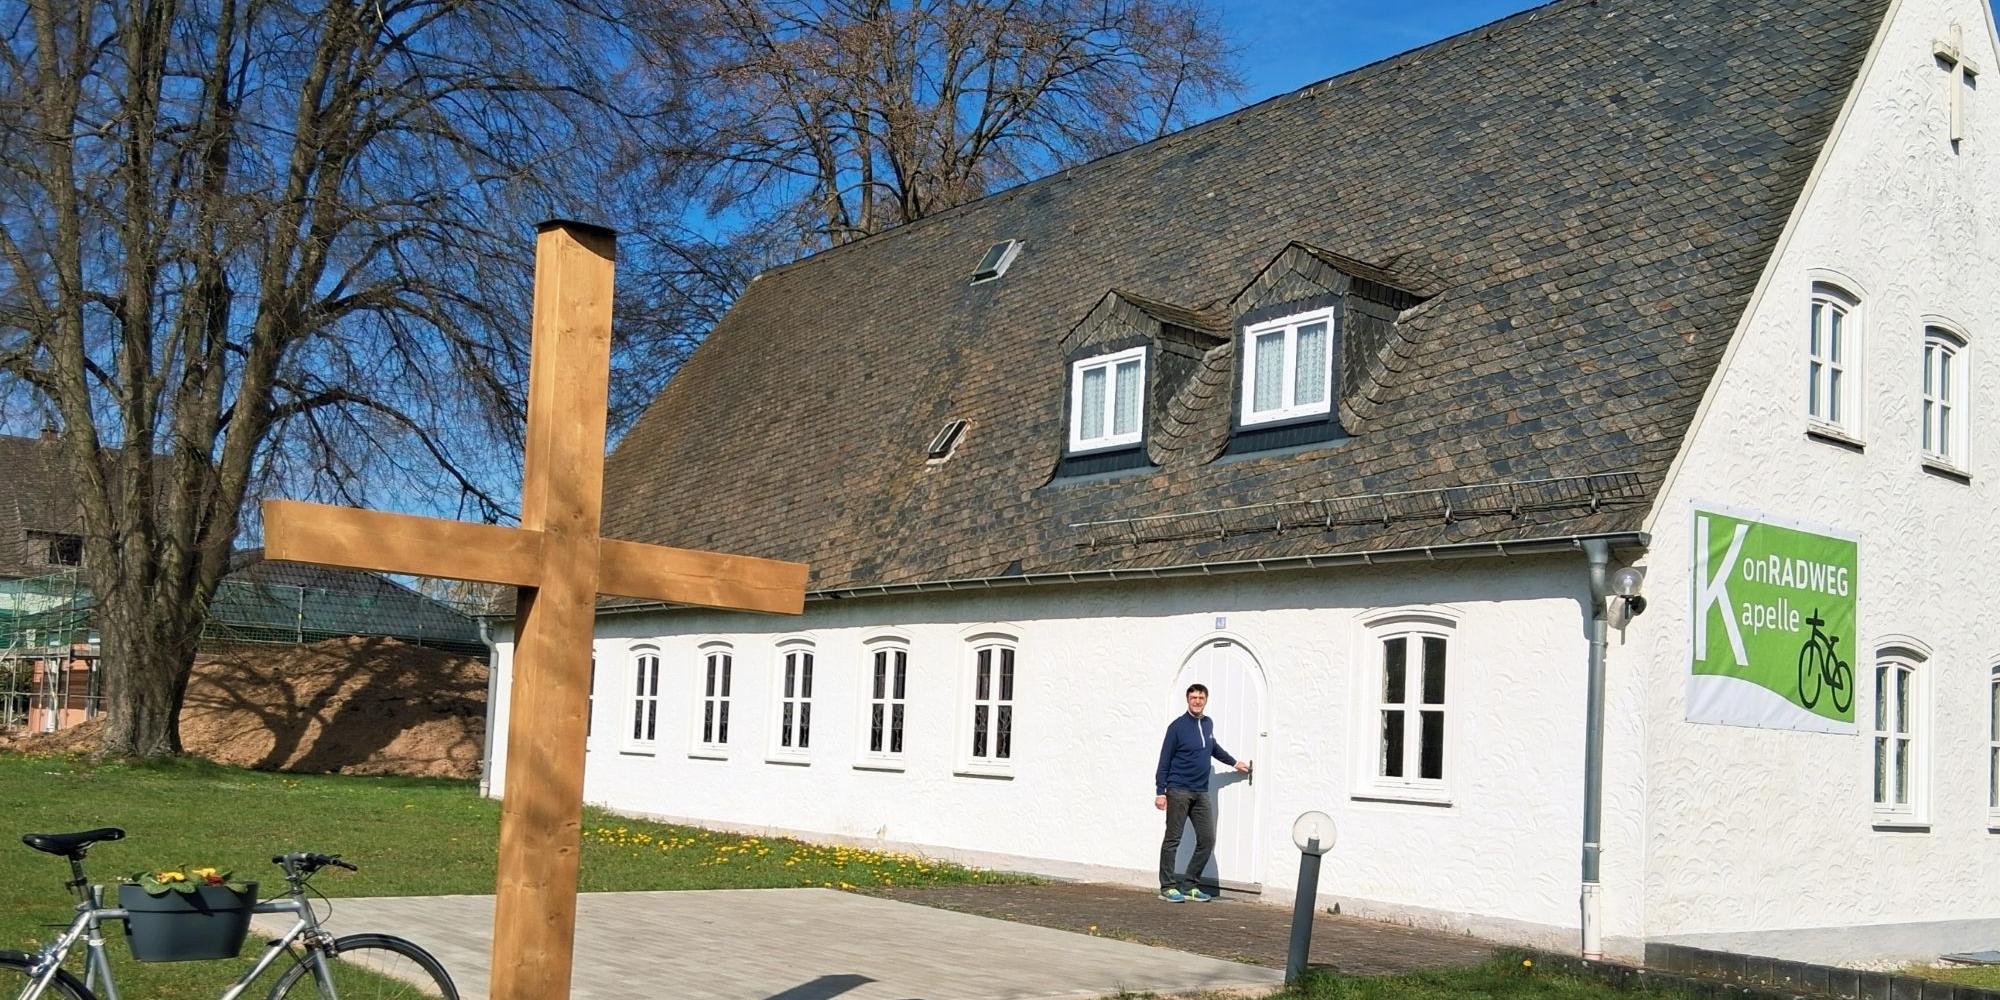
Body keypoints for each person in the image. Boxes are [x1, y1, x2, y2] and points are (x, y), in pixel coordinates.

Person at [1154, 682, 1250, 902]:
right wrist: (1161, 791)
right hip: (1178, 790)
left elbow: (1212, 747)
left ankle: (1190, 885)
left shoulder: (1207, 724)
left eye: (1201, 698)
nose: (1197, 701)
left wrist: (1235, 762)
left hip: (1201, 791)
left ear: (1206, 700)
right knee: (1173, 839)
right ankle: (1167, 886)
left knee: (1207, 839)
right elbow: (1164, 760)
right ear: (1187, 700)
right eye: (1193, 698)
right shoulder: (1177, 727)